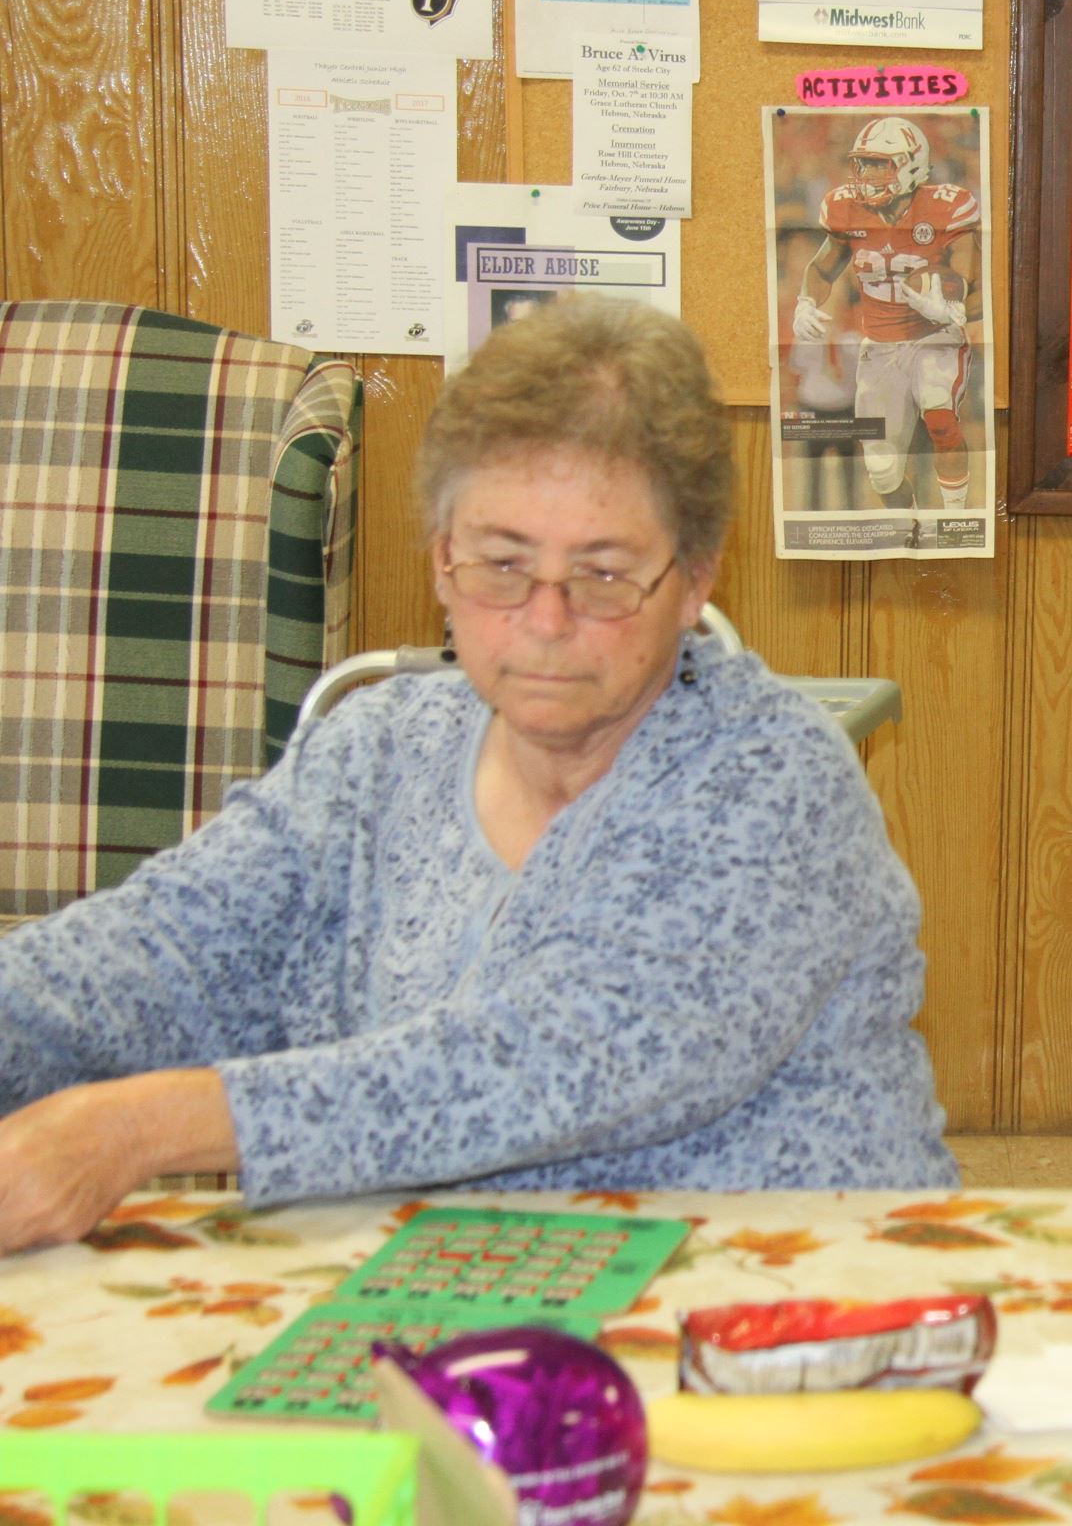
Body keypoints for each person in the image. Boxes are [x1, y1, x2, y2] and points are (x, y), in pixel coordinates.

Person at [0, 295, 955, 1253]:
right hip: (467, 1297)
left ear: (696, 577)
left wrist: (132, 1128)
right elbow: (159, 954)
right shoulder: (376, 751)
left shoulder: (774, 780)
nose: (545, 622)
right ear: (441, 562)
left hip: (785, 1311)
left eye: (604, 574)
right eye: (502, 566)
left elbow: (552, 1062)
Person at [791, 116, 983, 512]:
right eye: (865, 163)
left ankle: (955, 516)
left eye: (882, 163)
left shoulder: (947, 207)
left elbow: (967, 271)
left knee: (940, 415)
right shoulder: (845, 207)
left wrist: (950, 304)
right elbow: (823, 267)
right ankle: (907, 519)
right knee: (880, 468)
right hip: (879, 345)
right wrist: (806, 302)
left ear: (912, 163)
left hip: (933, 337)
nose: (870, 174)